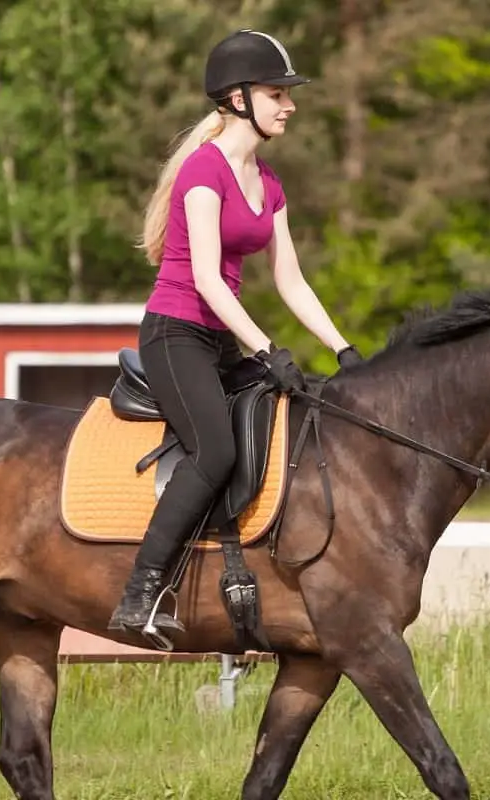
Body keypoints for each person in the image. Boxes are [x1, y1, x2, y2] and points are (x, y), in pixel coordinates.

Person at [107, 29, 364, 635]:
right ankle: (140, 595)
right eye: (279, 93)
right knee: (216, 449)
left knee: (294, 417)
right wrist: (267, 348)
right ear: (239, 98)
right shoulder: (204, 171)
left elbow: (292, 281)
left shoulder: (268, 183)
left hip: (218, 338)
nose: (290, 105)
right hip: (175, 333)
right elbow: (206, 280)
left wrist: (344, 349)